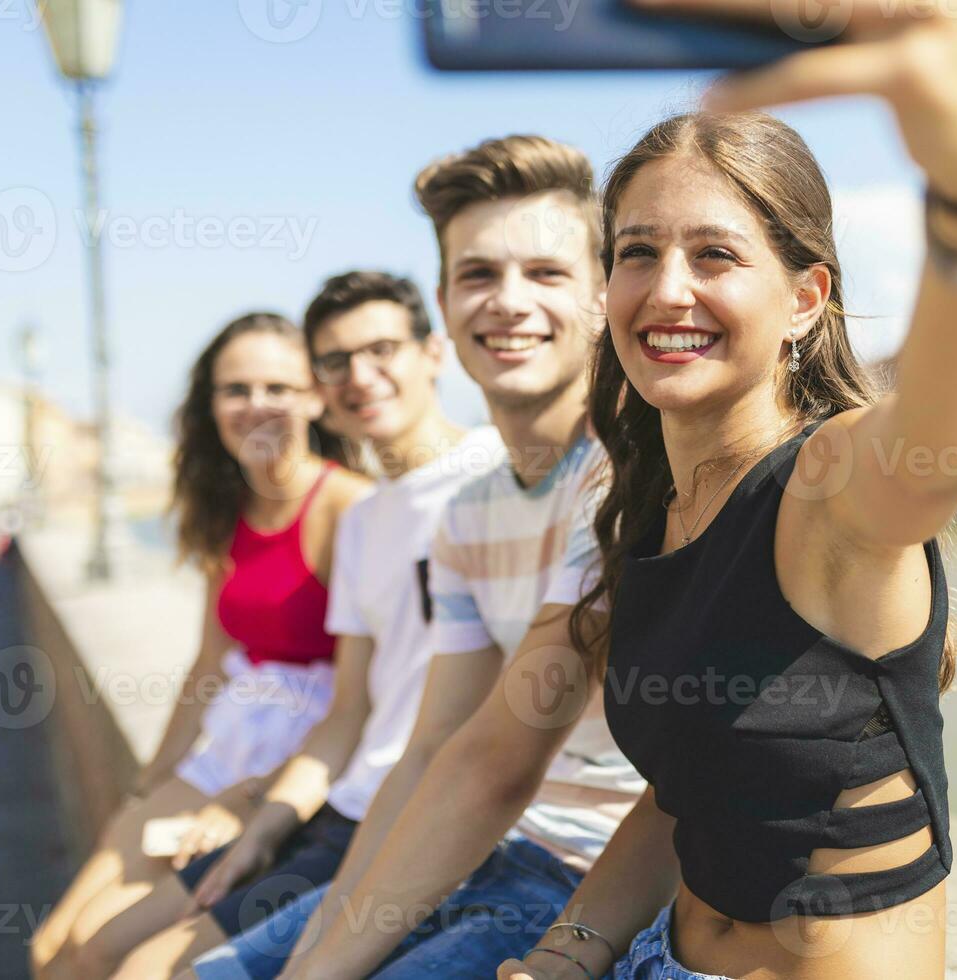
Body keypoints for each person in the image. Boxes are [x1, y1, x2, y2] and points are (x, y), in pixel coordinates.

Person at [499, 2, 957, 978]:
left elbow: (949, 440)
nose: (667, 290)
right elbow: (687, 789)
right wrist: (570, 949)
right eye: (636, 252)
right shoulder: (651, 506)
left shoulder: (828, 480)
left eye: (714, 254)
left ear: (804, 300)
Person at [204, 135, 646, 980]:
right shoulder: (468, 515)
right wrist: (330, 924)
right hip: (477, 849)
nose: (508, 302)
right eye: (478, 275)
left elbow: (495, 761)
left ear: (600, 297)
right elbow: (432, 744)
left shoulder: (626, 481)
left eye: (546, 274)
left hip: (589, 881)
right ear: (444, 305)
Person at [97, 271, 505, 979]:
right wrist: (265, 821)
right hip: (340, 810)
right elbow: (349, 712)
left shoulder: (498, 476)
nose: (361, 376)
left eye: (382, 349)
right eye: (337, 361)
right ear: (320, 384)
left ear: (433, 352)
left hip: (445, 824)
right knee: (132, 963)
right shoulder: (368, 522)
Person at [30, 312, 370, 980]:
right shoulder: (228, 507)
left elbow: (369, 699)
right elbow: (209, 664)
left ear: (314, 396)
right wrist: (153, 779)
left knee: (106, 948)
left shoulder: (349, 508)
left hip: (295, 768)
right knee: (51, 949)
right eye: (235, 389)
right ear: (210, 404)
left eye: (278, 385)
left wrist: (254, 800)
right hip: (225, 748)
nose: (255, 405)